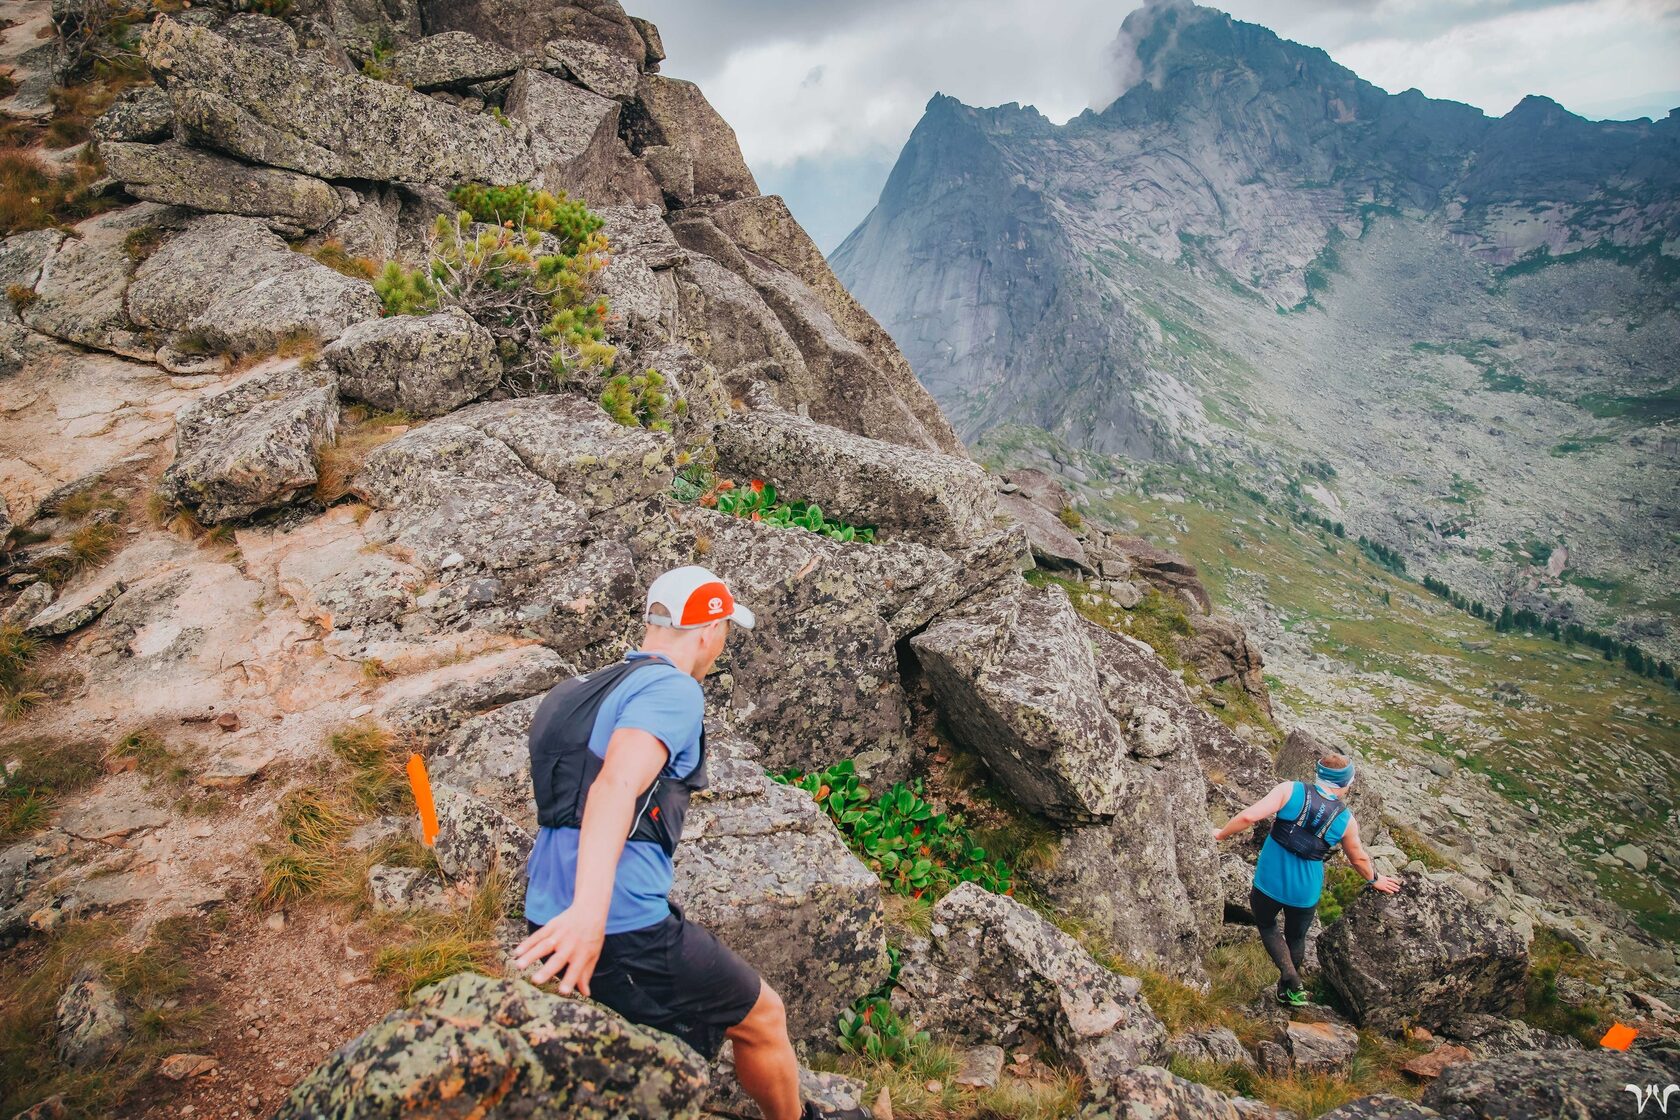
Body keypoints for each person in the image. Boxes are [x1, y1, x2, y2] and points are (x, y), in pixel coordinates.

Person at [513, 565, 860, 1120]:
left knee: (667, 1049)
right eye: (723, 633)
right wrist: (590, 915)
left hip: (545, 912)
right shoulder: (674, 689)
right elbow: (615, 785)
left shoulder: (576, 691)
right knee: (763, 1016)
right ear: (710, 631)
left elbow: (572, 797)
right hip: (617, 923)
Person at [1212, 753, 1401, 1006]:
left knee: (1267, 925)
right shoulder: (1346, 820)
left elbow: (1248, 817)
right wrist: (1374, 879)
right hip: (1306, 889)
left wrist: (1221, 835)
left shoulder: (1289, 790)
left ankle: (1290, 976)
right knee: (1296, 938)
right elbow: (1358, 858)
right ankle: (1288, 990)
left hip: (1270, 878)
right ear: (1344, 783)